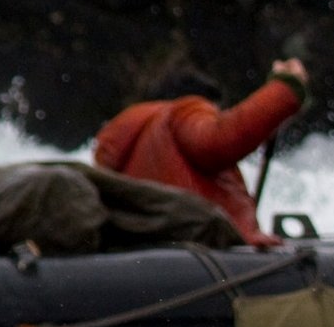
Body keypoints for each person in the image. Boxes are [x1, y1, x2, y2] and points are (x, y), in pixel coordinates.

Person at [93, 59, 308, 248]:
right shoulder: (182, 114)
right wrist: (285, 89)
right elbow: (219, 141)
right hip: (204, 254)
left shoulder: (129, 144)